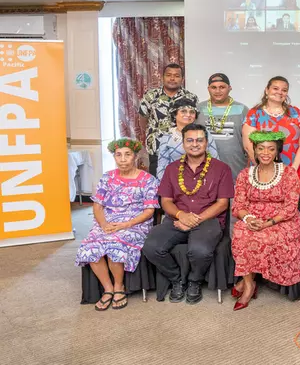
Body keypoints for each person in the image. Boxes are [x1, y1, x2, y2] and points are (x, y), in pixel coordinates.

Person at [142, 124, 234, 305]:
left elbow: (222, 203)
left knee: (199, 251)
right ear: (183, 144)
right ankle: (177, 280)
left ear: (206, 142)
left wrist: (194, 220)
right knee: (151, 247)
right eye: (190, 140)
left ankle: (194, 281)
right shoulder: (172, 169)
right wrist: (181, 215)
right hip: (177, 218)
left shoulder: (221, 168)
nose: (195, 144)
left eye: (199, 140)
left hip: (209, 219)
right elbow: (166, 201)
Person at [75, 138, 159, 311]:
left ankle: (119, 287)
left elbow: (149, 211)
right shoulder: (107, 177)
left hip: (135, 223)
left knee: (115, 244)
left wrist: (125, 224)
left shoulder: (148, 180)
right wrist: (104, 224)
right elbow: (97, 205)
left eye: (127, 155)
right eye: (118, 155)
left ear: (135, 157)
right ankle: (108, 289)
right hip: (108, 221)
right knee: (90, 247)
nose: (122, 159)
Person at [230, 131, 300, 310]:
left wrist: (268, 223)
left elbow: (290, 207)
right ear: (255, 151)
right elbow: (239, 204)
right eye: (261, 148)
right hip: (253, 217)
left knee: (266, 237)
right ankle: (249, 284)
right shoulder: (244, 174)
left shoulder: (288, 174)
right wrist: (249, 219)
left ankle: (250, 280)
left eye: (270, 149)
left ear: (277, 151)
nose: (265, 153)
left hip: (282, 219)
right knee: (241, 234)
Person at [242, 76, 300, 225]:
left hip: (293, 168)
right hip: (263, 172)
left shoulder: (295, 112)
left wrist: (293, 169)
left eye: (284, 90)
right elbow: (248, 145)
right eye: (275, 88)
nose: (279, 92)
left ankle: (293, 243)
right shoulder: (254, 113)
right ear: (267, 90)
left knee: (292, 214)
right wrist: (266, 168)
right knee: (264, 212)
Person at [138, 63, 198, 177]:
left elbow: (193, 120)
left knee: (183, 183)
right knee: (158, 184)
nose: (172, 78)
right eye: (169, 75)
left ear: (182, 79)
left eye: (176, 76)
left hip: (183, 149)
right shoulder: (150, 96)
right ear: (162, 77)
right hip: (157, 147)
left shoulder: (191, 97)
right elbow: (143, 118)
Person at [197, 73, 249, 182]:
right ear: (208, 89)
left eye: (222, 87)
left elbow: (249, 140)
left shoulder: (242, 109)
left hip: (235, 164)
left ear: (229, 88)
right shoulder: (199, 109)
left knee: (233, 195)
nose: (218, 91)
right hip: (204, 164)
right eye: (214, 87)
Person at [156, 98, 220, 181]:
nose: (188, 114)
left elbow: (214, 160)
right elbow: (162, 166)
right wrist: (166, 186)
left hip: (203, 181)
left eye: (192, 112)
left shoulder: (204, 133)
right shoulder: (167, 137)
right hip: (175, 182)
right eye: (183, 111)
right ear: (175, 114)